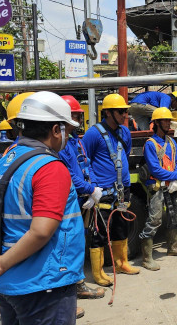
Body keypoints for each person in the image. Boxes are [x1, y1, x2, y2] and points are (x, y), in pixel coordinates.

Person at [0, 91, 84, 324]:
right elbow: (41, 230)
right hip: (42, 283)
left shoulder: (4, 162)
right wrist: (0, 263)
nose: (69, 138)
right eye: (68, 130)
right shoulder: (49, 167)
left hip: (7, 282)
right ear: (56, 130)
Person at [82, 93, 140, 276]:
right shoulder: (93, 134)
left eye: (125, 111)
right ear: (108, 112)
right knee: (100, 231)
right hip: (103, 191)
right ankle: (98, 272)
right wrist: (93, 188)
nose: (125, 115)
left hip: (122, 190)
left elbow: (126, 152)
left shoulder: (125, 132)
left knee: (121, 227)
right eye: (121, 111)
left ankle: (122, 263)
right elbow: (84, 161)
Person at [57, 96, 108, 301]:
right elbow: (69, 174)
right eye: (73, 116)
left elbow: (87, 166)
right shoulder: (61, 145)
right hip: (72, 200)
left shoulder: (77, 140)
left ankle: (76, 283)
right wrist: (88, 189)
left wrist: (94, 188)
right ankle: (72, 288)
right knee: (68, 244)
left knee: (79, 242)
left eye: (78, 115)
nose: (77, 119)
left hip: (84, 197)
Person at [141, 107, 177, 269]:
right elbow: (155, 169)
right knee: (154, 220)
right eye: (166, 120)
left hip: (171, 187)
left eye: (169, 120)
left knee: (176, 216)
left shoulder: (171, 141)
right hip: (157, 187)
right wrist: (176, 176)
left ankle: (173, 247)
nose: (169, 123)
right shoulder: (150, 144)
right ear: (157, 123)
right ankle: (147, 258)